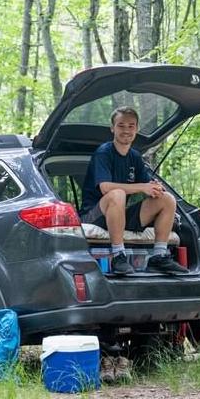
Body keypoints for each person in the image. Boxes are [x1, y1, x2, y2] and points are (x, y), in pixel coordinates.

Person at [79, 106, 189, 276]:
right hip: (95, 216)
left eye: (131, 126)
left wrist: (154, 187)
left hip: (119, 214)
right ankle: (118, 256)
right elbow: (105, 187)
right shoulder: (104, 152)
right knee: (117, 193)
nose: (126, 130)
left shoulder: (135, 157)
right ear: (112, 128)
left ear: (137, 129)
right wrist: (142, 187)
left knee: (167, 199)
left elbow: (147, 185)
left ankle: (158, 257)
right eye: (121, 125)